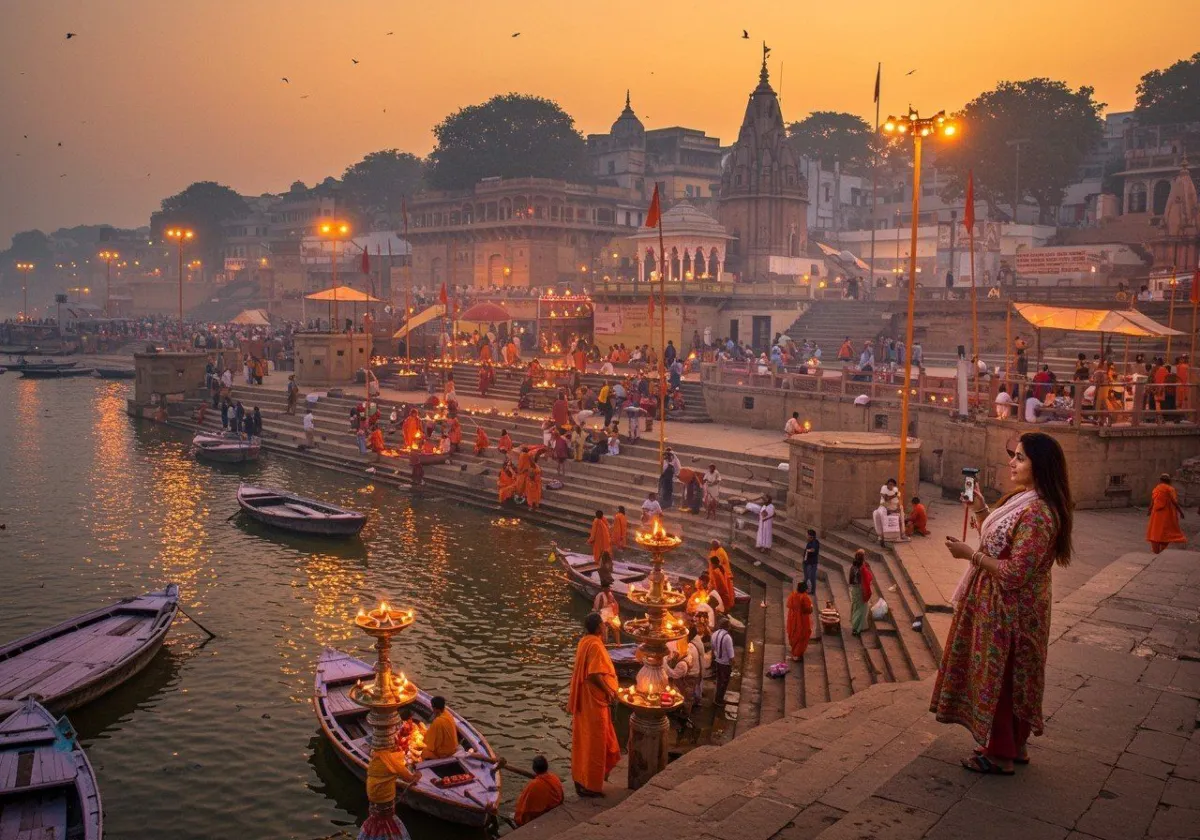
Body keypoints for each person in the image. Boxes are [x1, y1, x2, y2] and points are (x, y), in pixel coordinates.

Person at [933, 432, 1075, 775]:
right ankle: (1014, 745)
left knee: (1002, 677)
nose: (1012, 462)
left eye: (1021, 458)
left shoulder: (1040, 512)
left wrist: (971, 556)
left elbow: (1014, 572)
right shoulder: (1024, 499)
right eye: (1014, 456)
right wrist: (982, 507)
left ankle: (999, 754)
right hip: (999, 606)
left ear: (1040, 466)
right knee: (1008, 676)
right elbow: (1000, 542)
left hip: (1011, 612)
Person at [568, 613, 620, 797]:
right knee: (595, 744)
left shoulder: (585, 641)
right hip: (594, 703)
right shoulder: (595, 645)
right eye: (604, 626)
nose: (605, 628)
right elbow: (593, 674)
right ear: (599, 627)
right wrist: (609, 691)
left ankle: (580, 779)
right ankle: (590, 785)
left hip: (586, 700)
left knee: (584, 741)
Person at [513, 756, 564, 826]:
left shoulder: (533, 785)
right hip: (555, 806)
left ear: (534, 769)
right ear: (547, 766)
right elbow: (562, 796)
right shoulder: (554, 777)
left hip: (542, 812)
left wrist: (518, 818)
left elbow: (524, 806)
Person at [665, 628, 704, 715]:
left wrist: (665, 664)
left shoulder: (689, 648)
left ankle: (685, 717)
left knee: (687, 697)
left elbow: (675, 674)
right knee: (683, 694)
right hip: (688, 673)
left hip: (690, 676)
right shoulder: (692, 643)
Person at [1146, 473, 1186, 553]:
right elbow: (1174, 502)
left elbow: (1152, 502)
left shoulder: (1156, 489)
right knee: (1166, 531)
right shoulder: (1170, 489)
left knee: (1155, 530)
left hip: (1156, 514)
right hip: (1167, 514)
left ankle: (1156, 552)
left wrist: (1149, 510)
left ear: (1160, 480)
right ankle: (1161, 551)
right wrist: (1181, 512)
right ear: (1169, 481)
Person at [710, 614, 735, 708]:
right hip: (725, 663)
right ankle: (718, 700)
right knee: (724, 682)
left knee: (719, 680)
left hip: (717, 660)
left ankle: (718, 698)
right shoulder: (727, 637)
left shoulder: (714, 634)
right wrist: (733, 664)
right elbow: (731, 654)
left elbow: (712, 648)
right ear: (727, 626)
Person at [423, 695, 459, 759]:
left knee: (424, 752)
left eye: (432, 707)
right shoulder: (448, 714)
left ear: (435, 709)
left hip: (445, 753)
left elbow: (430, 744)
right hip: (454, 748)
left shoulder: (438, 722)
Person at [786, 580, 814, 661]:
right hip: (802, 619)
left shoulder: (793, 595)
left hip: (792, 618)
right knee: (802, 635)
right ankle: (797, 654)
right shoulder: (805, 597)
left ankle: (794, 651)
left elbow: (789, 605)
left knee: (793, 633)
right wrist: (811, 607)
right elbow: (808, 610)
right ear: (805, 589)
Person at [848, 549, 874, 636]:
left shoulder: (853, 566)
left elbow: (851, 580)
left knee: (856, 607)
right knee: (861, 609)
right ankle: (856, 628)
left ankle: (858, 626)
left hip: (854, 589)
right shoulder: (862, 569)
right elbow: (868, 579)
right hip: (860, 590)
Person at [802, 528, 820, 596]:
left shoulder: (814, 543)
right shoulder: (811, 542)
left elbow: (813, 550)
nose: (806, 536)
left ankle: (811, 590)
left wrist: (808, 551)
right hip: (808, 562)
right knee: (807, 577)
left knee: (810, 577)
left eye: (807, 535)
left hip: (810, 563)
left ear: (811, 537)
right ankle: (807, 589)